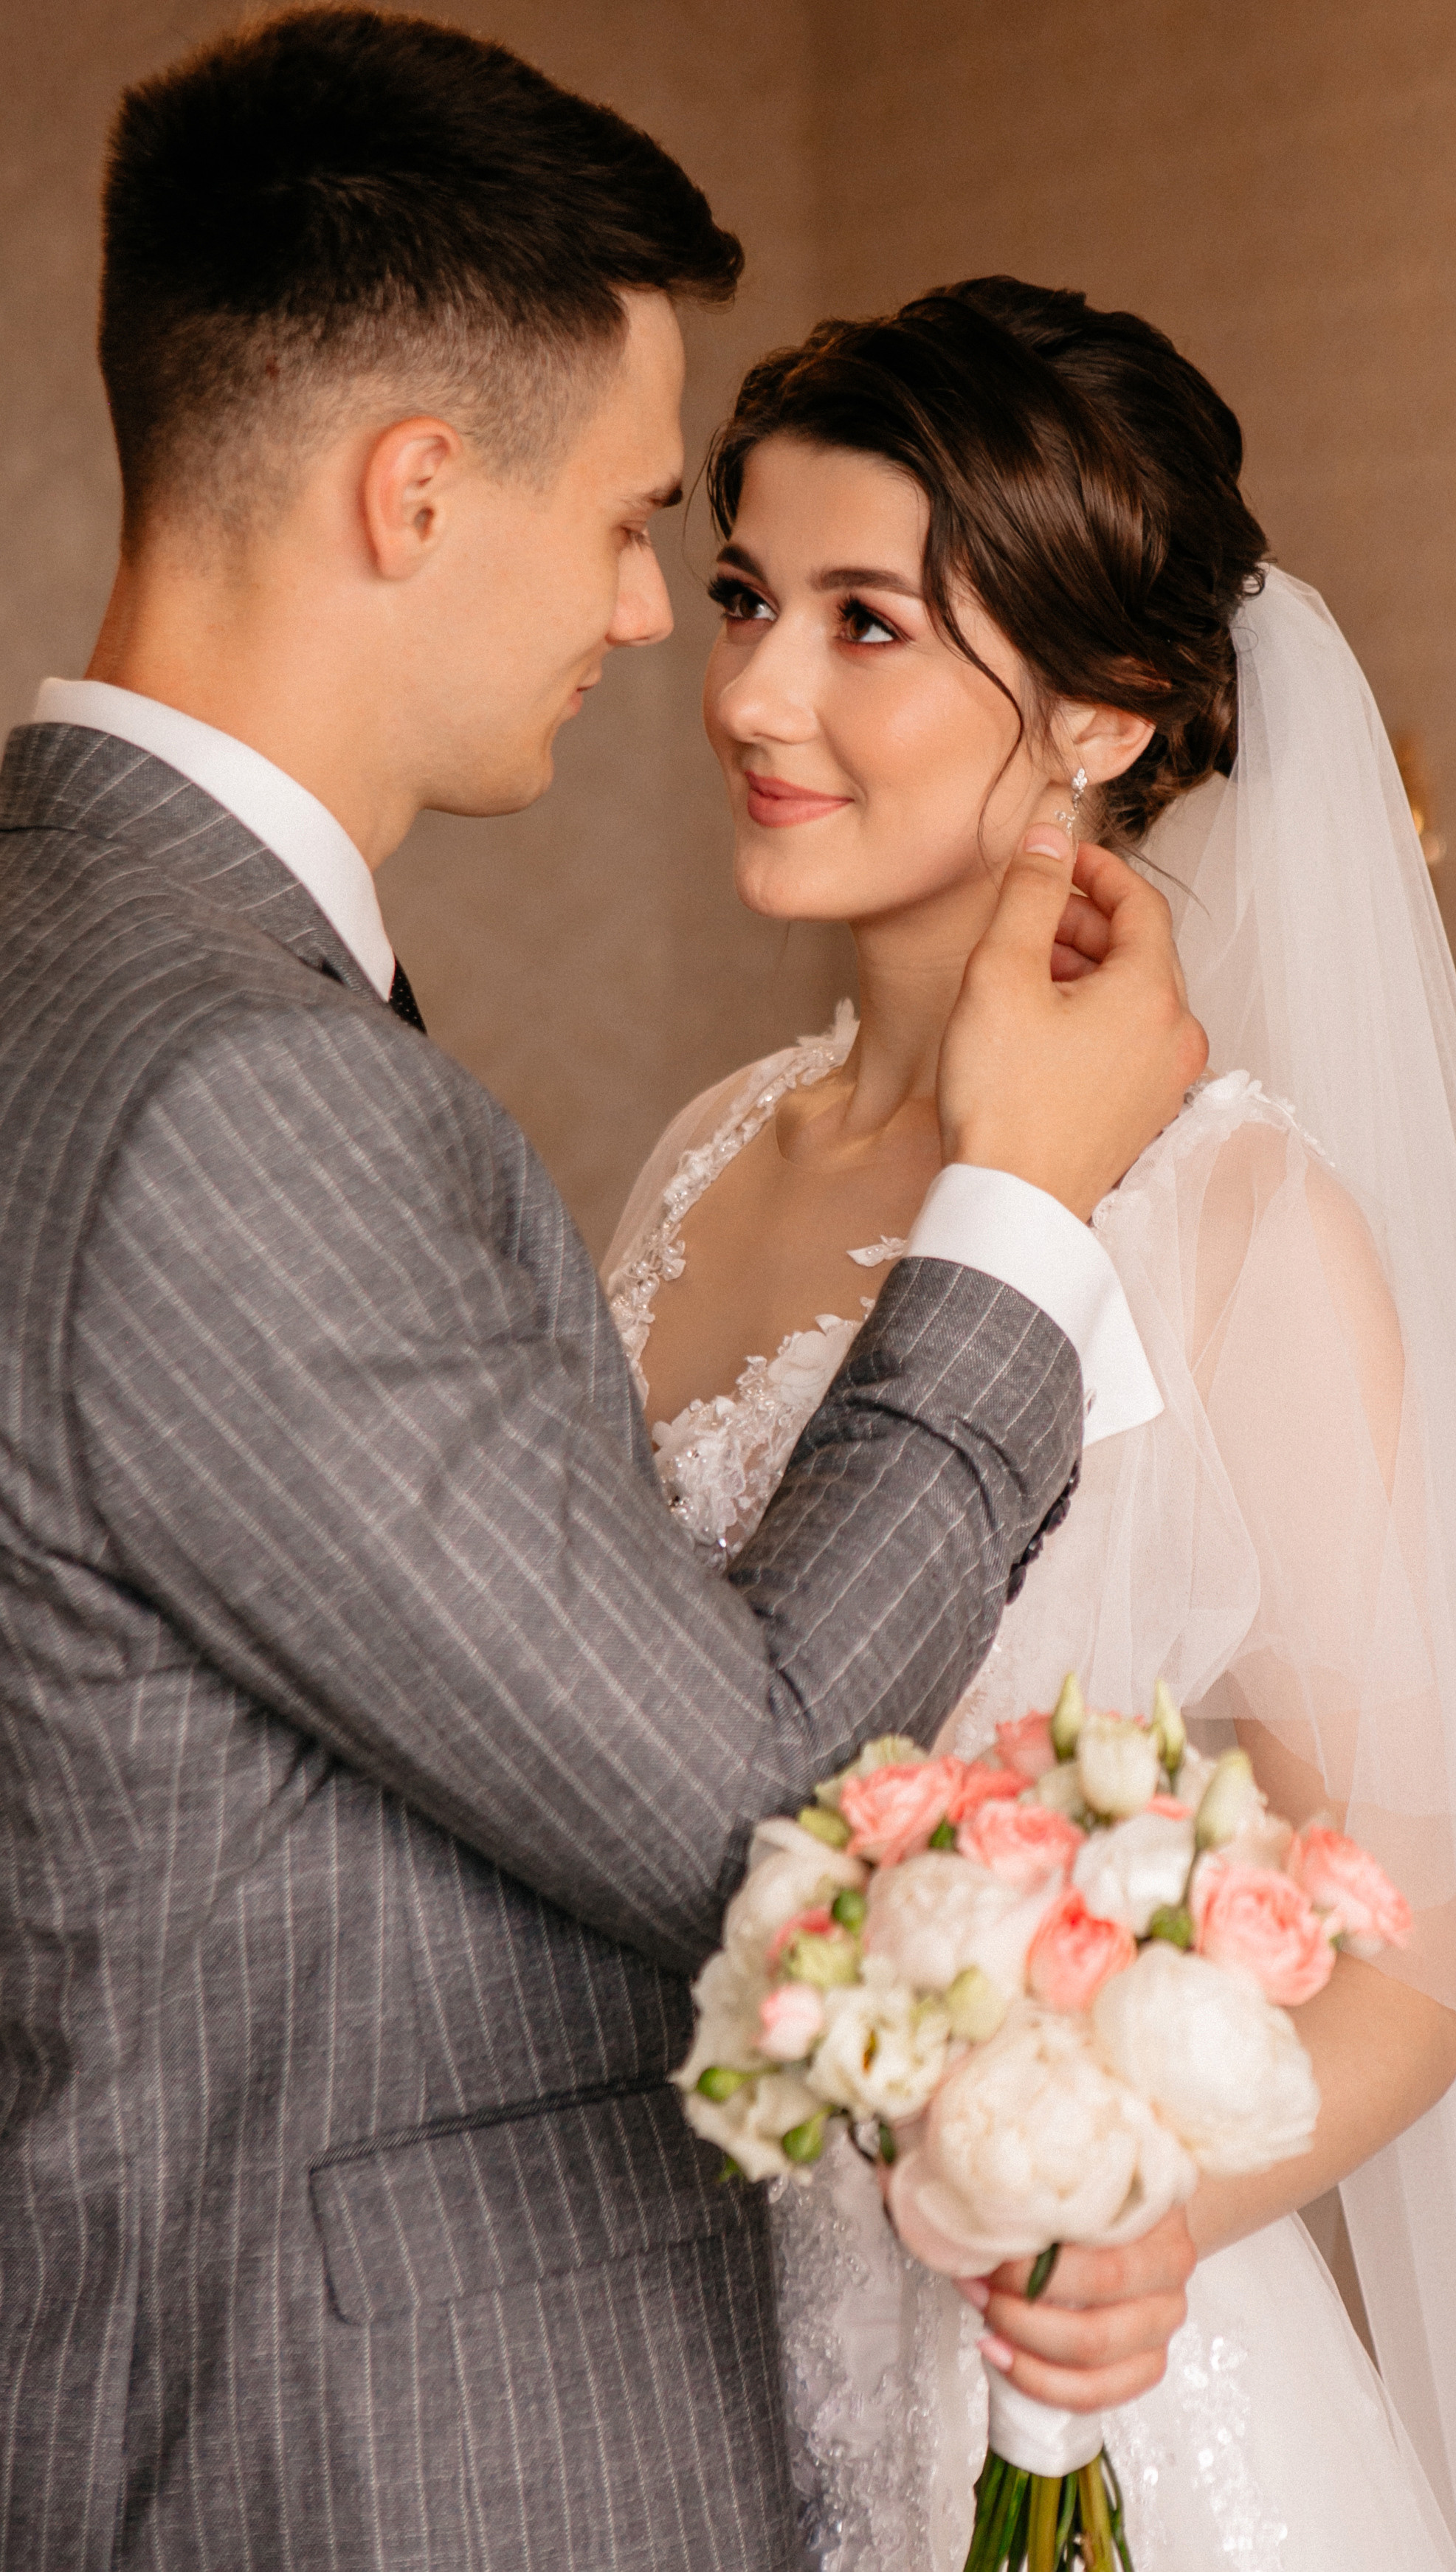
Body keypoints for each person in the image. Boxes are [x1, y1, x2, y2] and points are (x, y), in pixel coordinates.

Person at [0, 24, 1210, 2572]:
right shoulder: (241, 1081)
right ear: (416, 489)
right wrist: (1023, 1208)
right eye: (659, 534)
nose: (672, 633)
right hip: (371, 2454)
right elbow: (744, 1801)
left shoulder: (68, 940)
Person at [605, 278, 1456, 2570]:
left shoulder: (1235, 1221)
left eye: (862, 625)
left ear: (1105, 717)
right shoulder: (706, 1146)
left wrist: (1134, 2221)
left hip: (1068, 2391)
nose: (750, 692)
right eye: (740, 596)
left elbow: (1410, 1968)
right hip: (652, 2355)